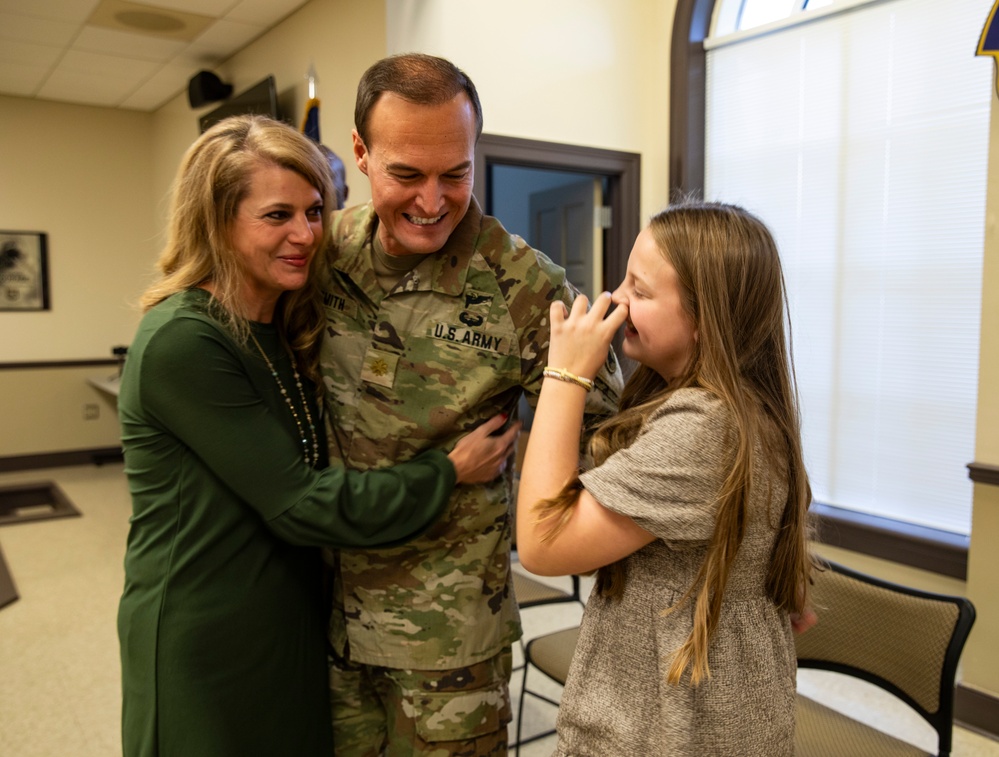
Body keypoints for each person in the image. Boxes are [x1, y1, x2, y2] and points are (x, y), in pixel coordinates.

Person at [116, 114, 519, 757]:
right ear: (216, 221)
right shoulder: (183, 339)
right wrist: (449, 470)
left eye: (313, 212)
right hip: (208, 623)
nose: (306, 235)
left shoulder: (282, 319)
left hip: (290, 613)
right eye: (277, 216)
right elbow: (303, 503)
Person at [318, 53, 623, 755]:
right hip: (320, 618)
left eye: (455, 174)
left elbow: (617, 448)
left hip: (447, 645)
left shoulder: (526, 287)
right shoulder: (324, 253)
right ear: (360, 152)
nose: (432, 202)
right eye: (407, 174)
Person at [516, 201, 815, 755]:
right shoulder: (732, 410)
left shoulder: (704, 428)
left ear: (704, 320)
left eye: (641, 290)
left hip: (661, 731)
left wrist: (564, 375)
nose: (616, 299)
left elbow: (542, 542)